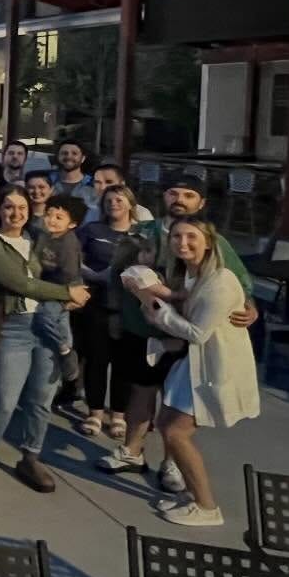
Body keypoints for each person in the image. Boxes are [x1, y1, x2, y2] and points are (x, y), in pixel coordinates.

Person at [99, 174, 256, 490]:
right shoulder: (142, 232)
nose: (179, 200)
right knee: (140, 391)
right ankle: (132, 451)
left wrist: (250, 306)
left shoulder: (213, 240)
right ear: (164, 196)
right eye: (173, 193)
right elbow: (117, 273)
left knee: (177, 401)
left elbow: (240, 281)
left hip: (185, 333)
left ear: (201, 202)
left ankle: (172, 462)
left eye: (188, 195)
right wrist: (115, 313)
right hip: (141, 327)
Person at [0, 186, 89, 493]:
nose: (16, 213)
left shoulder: (37, 238)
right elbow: (18, 282)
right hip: (14, 327)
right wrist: (66, 293)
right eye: (9, 207)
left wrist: (74, 292)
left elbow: (64, 267)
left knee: (41, 398)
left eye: (22, 207)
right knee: (4, 397)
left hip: (47, 325)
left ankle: (31, 456)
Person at [141, 218, 260, 526]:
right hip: (192, 364)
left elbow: (197, 333)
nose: (183, 243)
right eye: (177, 236)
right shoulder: (191, 276)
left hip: (213, 366)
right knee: (166, 423)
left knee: (176, 432)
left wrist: (159, 314)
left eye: (191, 237)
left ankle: (207, 508)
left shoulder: (220, 281)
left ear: (208, 243)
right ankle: (193, 496)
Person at [75, 183, 139, 440]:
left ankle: (119, 415)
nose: (113, 204)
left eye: (119, 200)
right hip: (97, 304)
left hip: (129, 308)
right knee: (96, 361)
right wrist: (91, 274)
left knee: (124, 364)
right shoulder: (92, 230)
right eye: (109, 200)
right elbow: (73, 256)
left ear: (131, 204)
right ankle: (95, 412)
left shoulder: (141, 233)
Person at [33, 195, 89, 384]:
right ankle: (67, 354)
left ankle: (65, 351)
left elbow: (69, 273)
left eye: (59, 217)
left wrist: (62, 294)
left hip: (65, 287)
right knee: (61, 323)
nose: (51, 220)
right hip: (49, 285)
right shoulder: (44, 235)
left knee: (45, 315)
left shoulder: (68, 244)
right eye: (48, 214)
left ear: (72, 224)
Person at [83, 162, 154, 225]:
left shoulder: (141, 214)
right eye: (97, 182)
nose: (102, 187)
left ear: (122, 184)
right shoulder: (92, 211)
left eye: (109, 182)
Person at [50, 140, 97, 209]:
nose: (69, 156)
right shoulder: (47, 181)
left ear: (83, 158)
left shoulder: (94, 184)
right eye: (64, 153)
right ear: (58, 157)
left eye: (74, 153)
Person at [24, 169, 55, 237]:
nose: (36, 191)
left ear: (51, 189)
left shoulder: (58, 217)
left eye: (41, 187)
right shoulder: (20, 215)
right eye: (31, 187)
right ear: (25, 189)